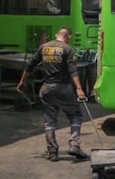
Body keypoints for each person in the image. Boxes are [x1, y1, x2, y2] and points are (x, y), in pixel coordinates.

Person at [17, 26, 88, 162]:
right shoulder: (68, 49)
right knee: (75, 115)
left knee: (50, 121)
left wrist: (22, 81)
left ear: (56, 34)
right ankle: (74, 145)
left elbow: (30, 65)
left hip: (46, 89)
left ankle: (53, 152)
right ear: (69, 37)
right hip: (64, 88)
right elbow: (73, 70)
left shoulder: (44, 47)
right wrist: (79, 88)